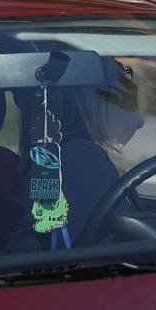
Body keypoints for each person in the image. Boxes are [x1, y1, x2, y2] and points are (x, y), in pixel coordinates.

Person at [14, 57, 144, 248]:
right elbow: (107, 258)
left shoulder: (77, 157)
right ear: (91, 96)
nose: (132, 86)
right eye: (121, 76)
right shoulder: (80, 161)